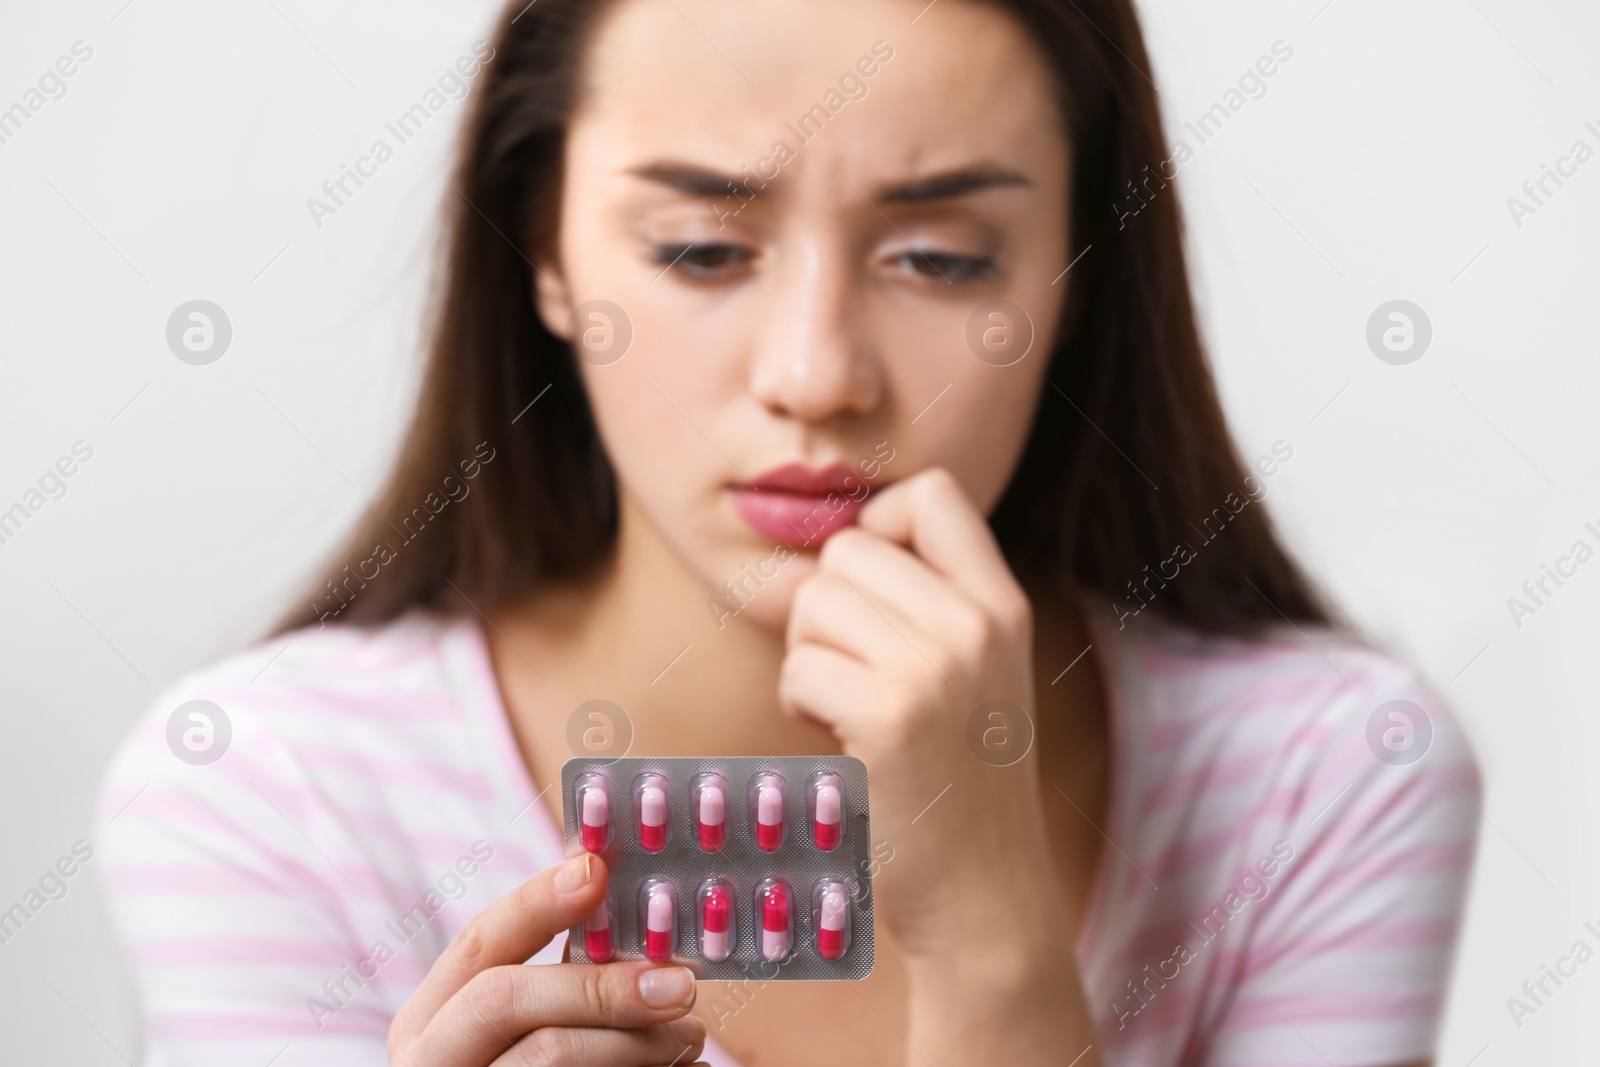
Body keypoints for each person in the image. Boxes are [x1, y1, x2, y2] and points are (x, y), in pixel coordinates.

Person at [95, 0, 1481, 1064]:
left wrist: (997, 955)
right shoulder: (265, 793)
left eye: (940, 259)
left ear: (1077, 275)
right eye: (702, 249)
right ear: (549, 253)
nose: (818, 375)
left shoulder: (1328, 779)